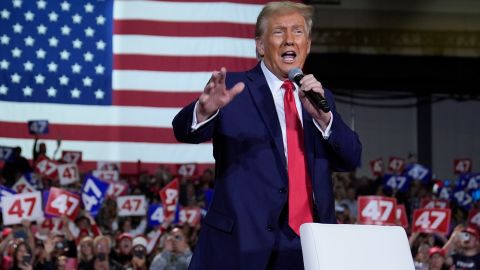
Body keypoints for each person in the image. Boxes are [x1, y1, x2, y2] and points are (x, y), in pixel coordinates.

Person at [172, 1, 362, 269]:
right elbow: (183, 130)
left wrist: (324, 118)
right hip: (242, 245)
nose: (289, 40)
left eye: (297, 32)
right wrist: (202, 112)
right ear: (260, 46)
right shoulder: (234, 91)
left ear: (307, 45)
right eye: (278, 32)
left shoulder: (319, 97)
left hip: (308, 247)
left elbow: (351, 158)